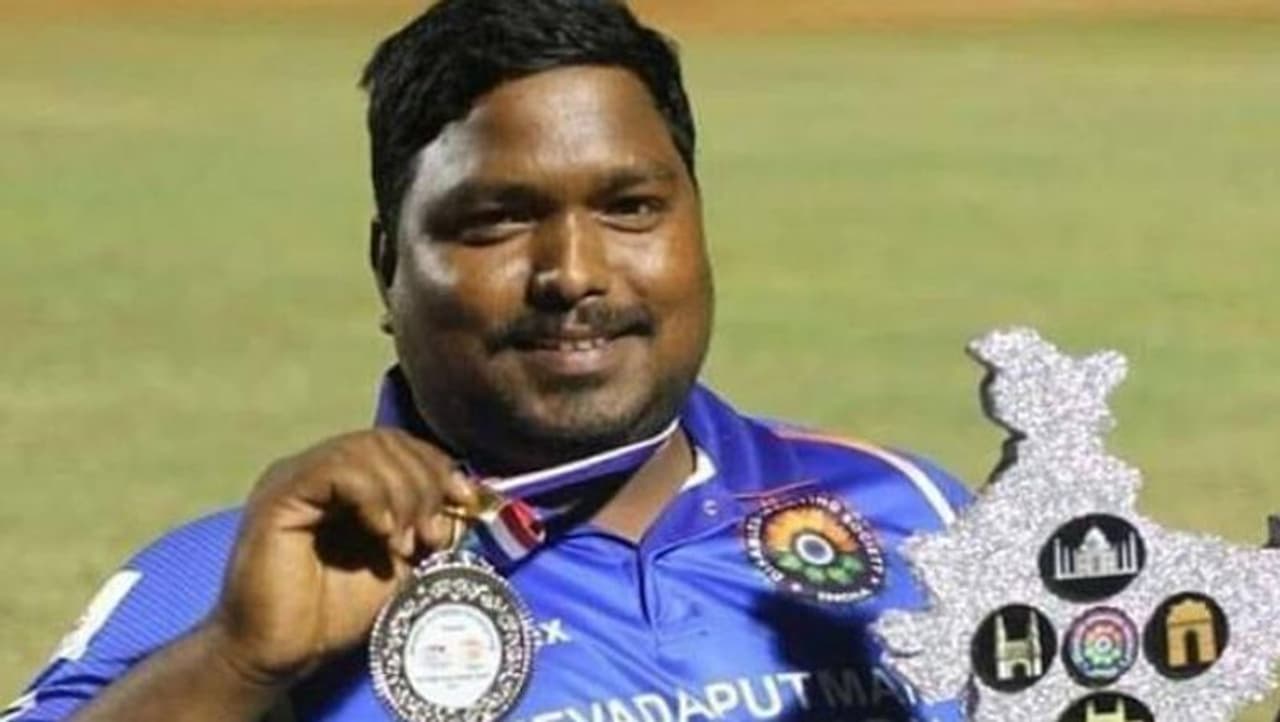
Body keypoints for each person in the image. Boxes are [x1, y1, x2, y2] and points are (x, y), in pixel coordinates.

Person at [3, 1, 971, 721]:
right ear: (389, 267)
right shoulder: (242, 579)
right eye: (497, 221)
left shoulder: (911, 513)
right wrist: (238, 662)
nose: (573, 272)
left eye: (630, 208)